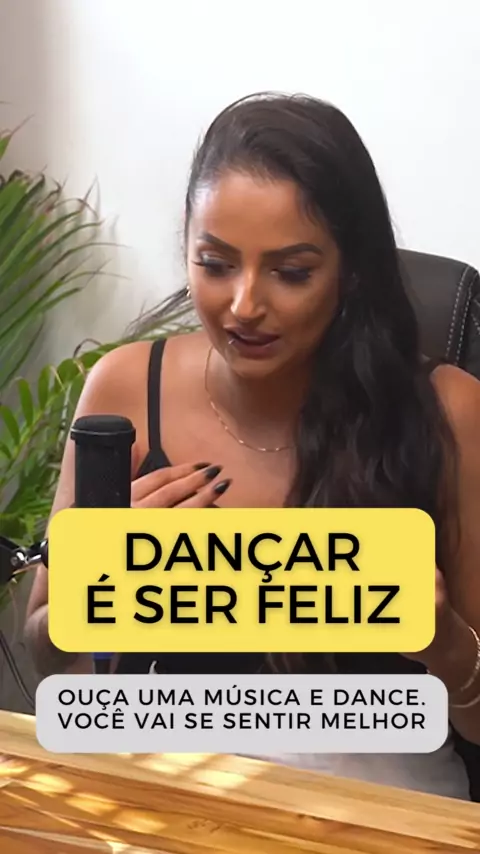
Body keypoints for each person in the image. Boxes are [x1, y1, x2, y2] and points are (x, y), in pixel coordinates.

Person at [25, 92, 480, 801]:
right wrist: (99, 584)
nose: (243, 306)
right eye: (215, 264)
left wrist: (445, 643)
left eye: (291, 272)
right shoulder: (123, 388)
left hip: (381, 805)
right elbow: (48, 654)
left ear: (351, 271)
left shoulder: (449, 411)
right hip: (172, 792)